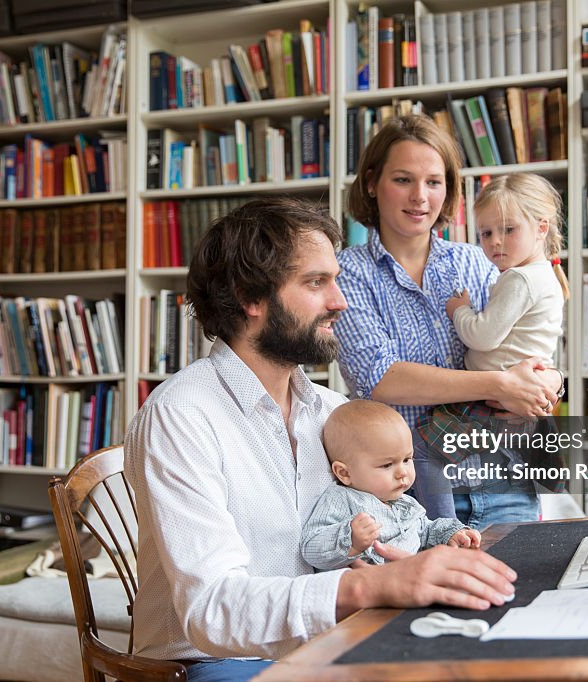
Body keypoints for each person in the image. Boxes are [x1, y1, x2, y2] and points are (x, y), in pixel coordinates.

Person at [123, 197, 518, 682]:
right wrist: (368, 588)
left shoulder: (335, 416)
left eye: (334, 279)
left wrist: (422, 558)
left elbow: (379, 539)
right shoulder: (180, 415)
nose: (340, 301)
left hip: (330, 644)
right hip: (212, 663)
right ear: (251, 296)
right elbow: (211, 610)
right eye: (316, 283)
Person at [334, 115, 562, 527]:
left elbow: (523, 342)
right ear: (371, 183)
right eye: (403, 179)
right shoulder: (347, 273)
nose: (420, 196)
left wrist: (547, 383)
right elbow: (381, 378)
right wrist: (500, 384)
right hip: (407, 502)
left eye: (434, 182)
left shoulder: (479, 261)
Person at [417, 172, 570, 494]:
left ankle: (444, 525)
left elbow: (483, 337)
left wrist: (459, 310)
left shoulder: (520, 279)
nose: (495, 241)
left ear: (541, 228)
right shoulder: (544, 276)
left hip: (491, 398)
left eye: (508, 230)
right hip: (512, 396)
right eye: (486, 233)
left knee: (423, 453)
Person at [300, 400, 481, 571]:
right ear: (344, 473)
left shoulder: (404, 502)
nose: (402, 472)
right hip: (368, 593)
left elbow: (425, 530)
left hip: (412, 579)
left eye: (407, 459)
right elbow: (310, 547)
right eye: (387, 465)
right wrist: (350, 539)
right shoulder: (341, 499)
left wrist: (451, 533)